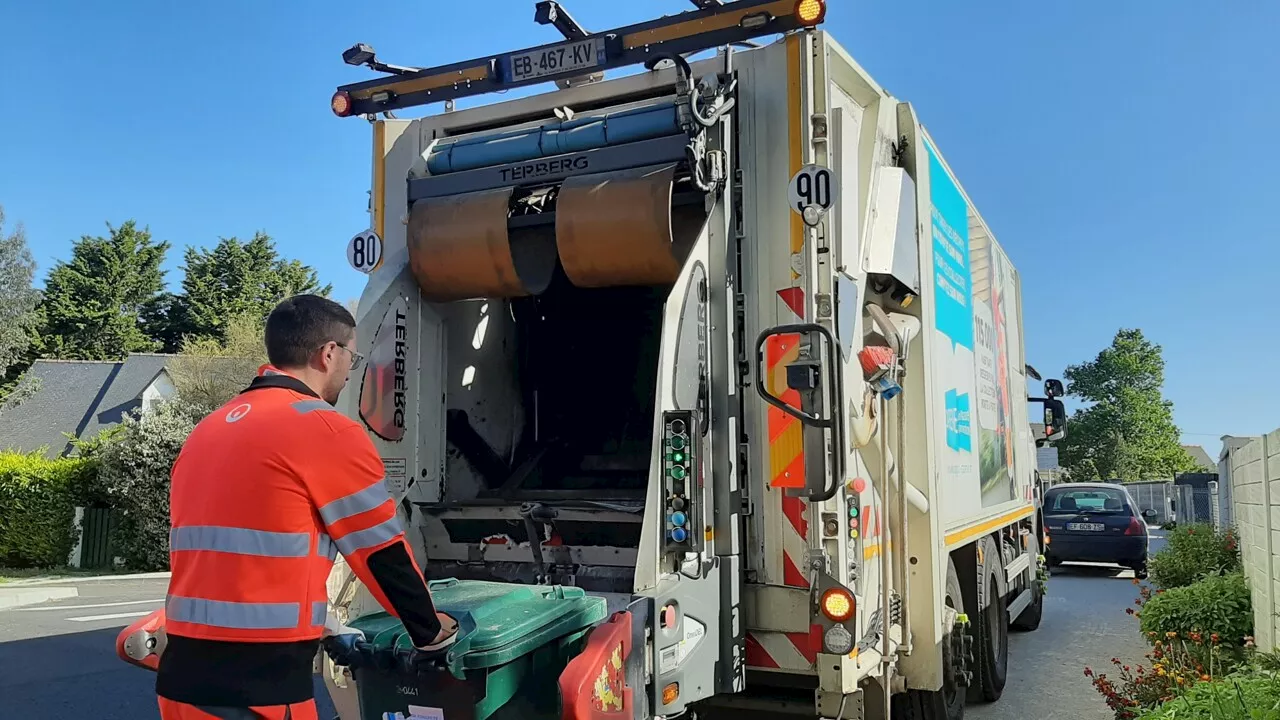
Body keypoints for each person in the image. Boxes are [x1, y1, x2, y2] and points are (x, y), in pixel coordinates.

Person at [155, 294, 457, 720]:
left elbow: (229, 561)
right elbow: (380, 550)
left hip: (181, 682)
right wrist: (429, 629)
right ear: (328, 353)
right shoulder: (325, 430)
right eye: (350, 358)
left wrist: (329, 626)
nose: (349, 372)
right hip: (260, 687)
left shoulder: (209, 429)